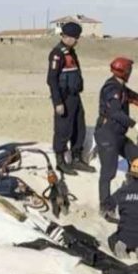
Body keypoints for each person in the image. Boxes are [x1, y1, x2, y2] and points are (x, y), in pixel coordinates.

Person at [95, 57, 138, 215]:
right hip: (107, 135)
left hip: (118, 135)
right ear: (125, 72)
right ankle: (105, 205)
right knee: (108, 172)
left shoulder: (121, 87)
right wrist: (134, 124)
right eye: (130, 70)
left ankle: (131, 188)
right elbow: (115, 112)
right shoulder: (112, 88)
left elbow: (136, 98)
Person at [46, 22, 92, 174]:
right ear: (67, 37)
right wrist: (57, 102)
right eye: (75, 38)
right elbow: (52, 80)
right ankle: (60, 161)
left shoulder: (71, 52)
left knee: (79, 127)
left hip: (74, 96)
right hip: (63, 97)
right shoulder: (57, 53)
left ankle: (77, 159)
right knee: (63, 129)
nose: (77, 41)